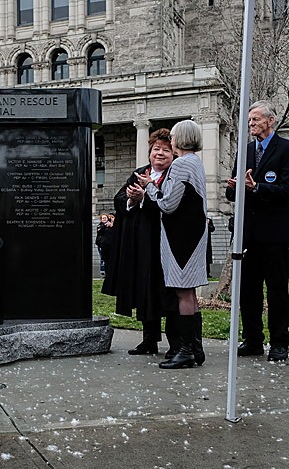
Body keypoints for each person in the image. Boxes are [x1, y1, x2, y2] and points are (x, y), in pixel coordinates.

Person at [226, 100, 289, 362]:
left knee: (277, 289)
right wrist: (235, 187)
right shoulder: (244, 151)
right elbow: (232, 193)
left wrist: (256, 188)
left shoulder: (288, 150)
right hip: (248, 233)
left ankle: (280, 342)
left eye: (255, 119)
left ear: (271, 120)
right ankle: (253, 339)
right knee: (249, 289)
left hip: (275, 233)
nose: (251, 124)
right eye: (249, 121)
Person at [136, 120, 208, 369]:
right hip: (193, 234)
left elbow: (168, 204)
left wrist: (149, 189)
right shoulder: (196, 162)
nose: (172, 139)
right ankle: (196, 348)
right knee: (190, 293)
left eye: (174, 136)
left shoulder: (180, 165)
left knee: (183, 292)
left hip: (181, 238)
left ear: (180, 139)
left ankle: (186, 351)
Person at [102, 128, 180, 358]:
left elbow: (171, 205)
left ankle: (176, 343)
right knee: (145, 293)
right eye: (156, 149)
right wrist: (131, 200)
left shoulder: (174, 176)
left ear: (173, 155)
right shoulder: (139, 173)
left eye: (166, 150)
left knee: (167, 295)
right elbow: (118, 199)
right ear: (149, 152)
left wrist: (146, 195)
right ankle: (149, 340)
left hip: (165, 245)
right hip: (140, 246)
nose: (160, 154)